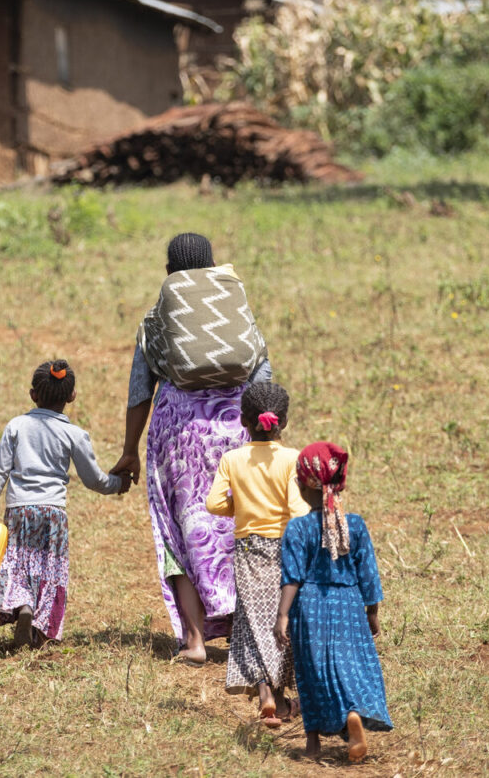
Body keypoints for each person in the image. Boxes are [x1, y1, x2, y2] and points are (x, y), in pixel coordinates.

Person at [111, 232, 271, 665]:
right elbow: (263, 377)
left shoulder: (155, 321)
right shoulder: (238, 314)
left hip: (178, 433)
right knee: (236, 523)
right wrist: (265, 436)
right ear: (213, 267)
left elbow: (139, 391)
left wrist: (130, 450)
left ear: (169, 274)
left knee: (181, 529)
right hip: (235, 427)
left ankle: (196, 640)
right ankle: (243, 629)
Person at [0, 359, 131, 648]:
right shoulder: (73, 434)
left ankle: (22, 605)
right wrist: (118, 484)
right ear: (72, 396)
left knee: (18, 563)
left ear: (33, 394)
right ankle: (41, 629)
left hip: (19, 510)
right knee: (49, 568)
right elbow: (94, 480)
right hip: (53, 513)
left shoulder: (17, 426)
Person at [273, 442, 392, 762]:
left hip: (309, 608)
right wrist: (372, 612)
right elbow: (368, 571)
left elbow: (292, 577)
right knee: (352, 667)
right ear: (341, 482)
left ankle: (313, 746)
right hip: (350, 604)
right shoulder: (355, 524)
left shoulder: (298, 528)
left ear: (300, 484)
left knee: (311, 673)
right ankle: (353, 711)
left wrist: (282, 615)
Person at [206, 381, 308, 727]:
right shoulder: (293, 459)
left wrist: (242, 504)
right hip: (285, 548)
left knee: (252, 621)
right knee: (283, 621)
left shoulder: (232, 459)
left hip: (248, 547)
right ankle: (279, 699)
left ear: (243, 420)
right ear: (284, 421)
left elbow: (214, 503)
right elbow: (297, 509)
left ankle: (266, 693)